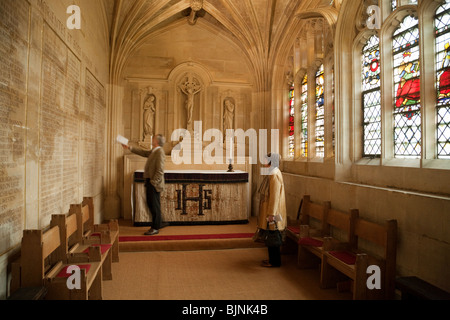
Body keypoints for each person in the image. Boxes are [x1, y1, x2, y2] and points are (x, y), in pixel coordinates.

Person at [122, 134, 167, 235]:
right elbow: (143, 152)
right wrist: (129, 147)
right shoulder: (154, 151)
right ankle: (159, 222)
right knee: (152, 204)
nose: (152, 139)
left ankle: (155, 227)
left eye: (154, 138)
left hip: (154, 183)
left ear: (157, 141)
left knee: (153, 205)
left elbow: (160, 170)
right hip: (150, 181)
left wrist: (153, 182)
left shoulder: (160, 152)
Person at [256, 153, 287, 268]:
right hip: (272, 210)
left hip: (274, 212)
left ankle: (274, 262)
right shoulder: (273, 171)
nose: (264, 162)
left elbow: (274, 196)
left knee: (273, 235)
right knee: (271, 234)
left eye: (265, 160)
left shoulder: (274, 174)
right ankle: (272, 259)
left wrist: (271, 214)